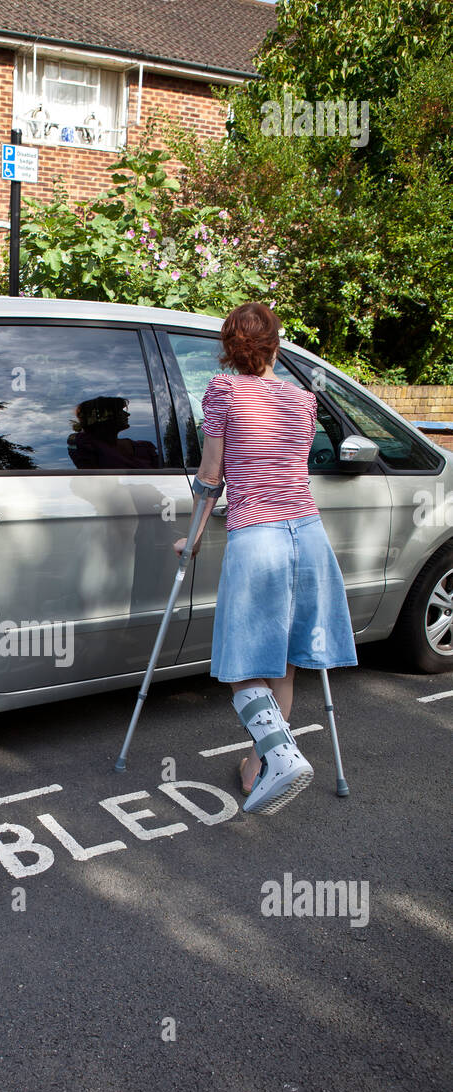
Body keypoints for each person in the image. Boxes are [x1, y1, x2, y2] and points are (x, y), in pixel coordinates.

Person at [173, 302, 357, 816]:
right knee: (286, 662)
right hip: (309, 536)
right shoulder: (302, 400)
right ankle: (262, 765)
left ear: (230, 348)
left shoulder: (223, 391)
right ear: (275, 343)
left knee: (241, 661)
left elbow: (212, 477)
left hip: (258, 536)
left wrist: (190, 537)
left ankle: (278, 755)